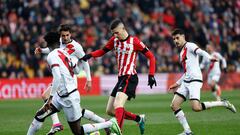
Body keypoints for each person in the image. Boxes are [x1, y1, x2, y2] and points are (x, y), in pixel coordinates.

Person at [27, 31, 122, 135]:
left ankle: (109, 123)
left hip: (68, 97)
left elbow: (57, 77)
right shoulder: (64, 52)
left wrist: (50, 98)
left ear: (48, 44)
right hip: (60, 96)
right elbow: (77, 71)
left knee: (78, 132)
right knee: (39, 115)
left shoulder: (51, 56)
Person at [80, 18, 157, 135]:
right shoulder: (114, 40)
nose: (115, 35)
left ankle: (118, 132)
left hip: (130, 77)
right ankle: (138, 119)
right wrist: (89, 55)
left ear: (123, 28)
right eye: (113, 33)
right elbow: (102, 51)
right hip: (121, 78)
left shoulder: (134, 41)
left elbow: (151, 56)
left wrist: (151, 75)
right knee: (110, 110)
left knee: (118, 104)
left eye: (117, 32)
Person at [168, 29, 236, 135]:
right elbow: (186, 72)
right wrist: (177, 83)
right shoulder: (181, 53)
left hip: (195, 80)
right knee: (174, 105)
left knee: (196, 107)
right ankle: (187, 131)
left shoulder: (190, 45)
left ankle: (223, 103)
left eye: (177, 38)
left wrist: (209, 57)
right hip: (186, 81)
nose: (176, 41)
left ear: (183, 36)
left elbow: (200, 51)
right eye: (174, 39)